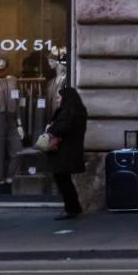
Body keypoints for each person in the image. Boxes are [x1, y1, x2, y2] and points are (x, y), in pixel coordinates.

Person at [43, 86, 88, 220]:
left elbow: (62, 128)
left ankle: (71, 209)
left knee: (63, 181)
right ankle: (74, 207)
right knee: (65, 180)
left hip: (63, 152)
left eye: (59, 97)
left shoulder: (68, 112)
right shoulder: (79, 111)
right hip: (71, 151)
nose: (57, 100)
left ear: (66, 98)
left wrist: (50, 128)